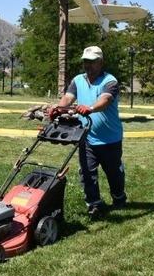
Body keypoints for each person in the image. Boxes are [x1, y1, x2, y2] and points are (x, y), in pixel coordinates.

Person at [52, 45, 126, 217]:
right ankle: (94, 203)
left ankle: (119, 197)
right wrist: (58, 108)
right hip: (86, 137)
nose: (88, 65)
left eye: (92, 62)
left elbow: (105, 100)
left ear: (101, 62)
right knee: (87, 172)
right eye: (86, 62)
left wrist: (91, 108)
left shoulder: (110, 81)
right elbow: (68, 97)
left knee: (113, 172)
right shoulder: (78, 80)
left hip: (110, 139)